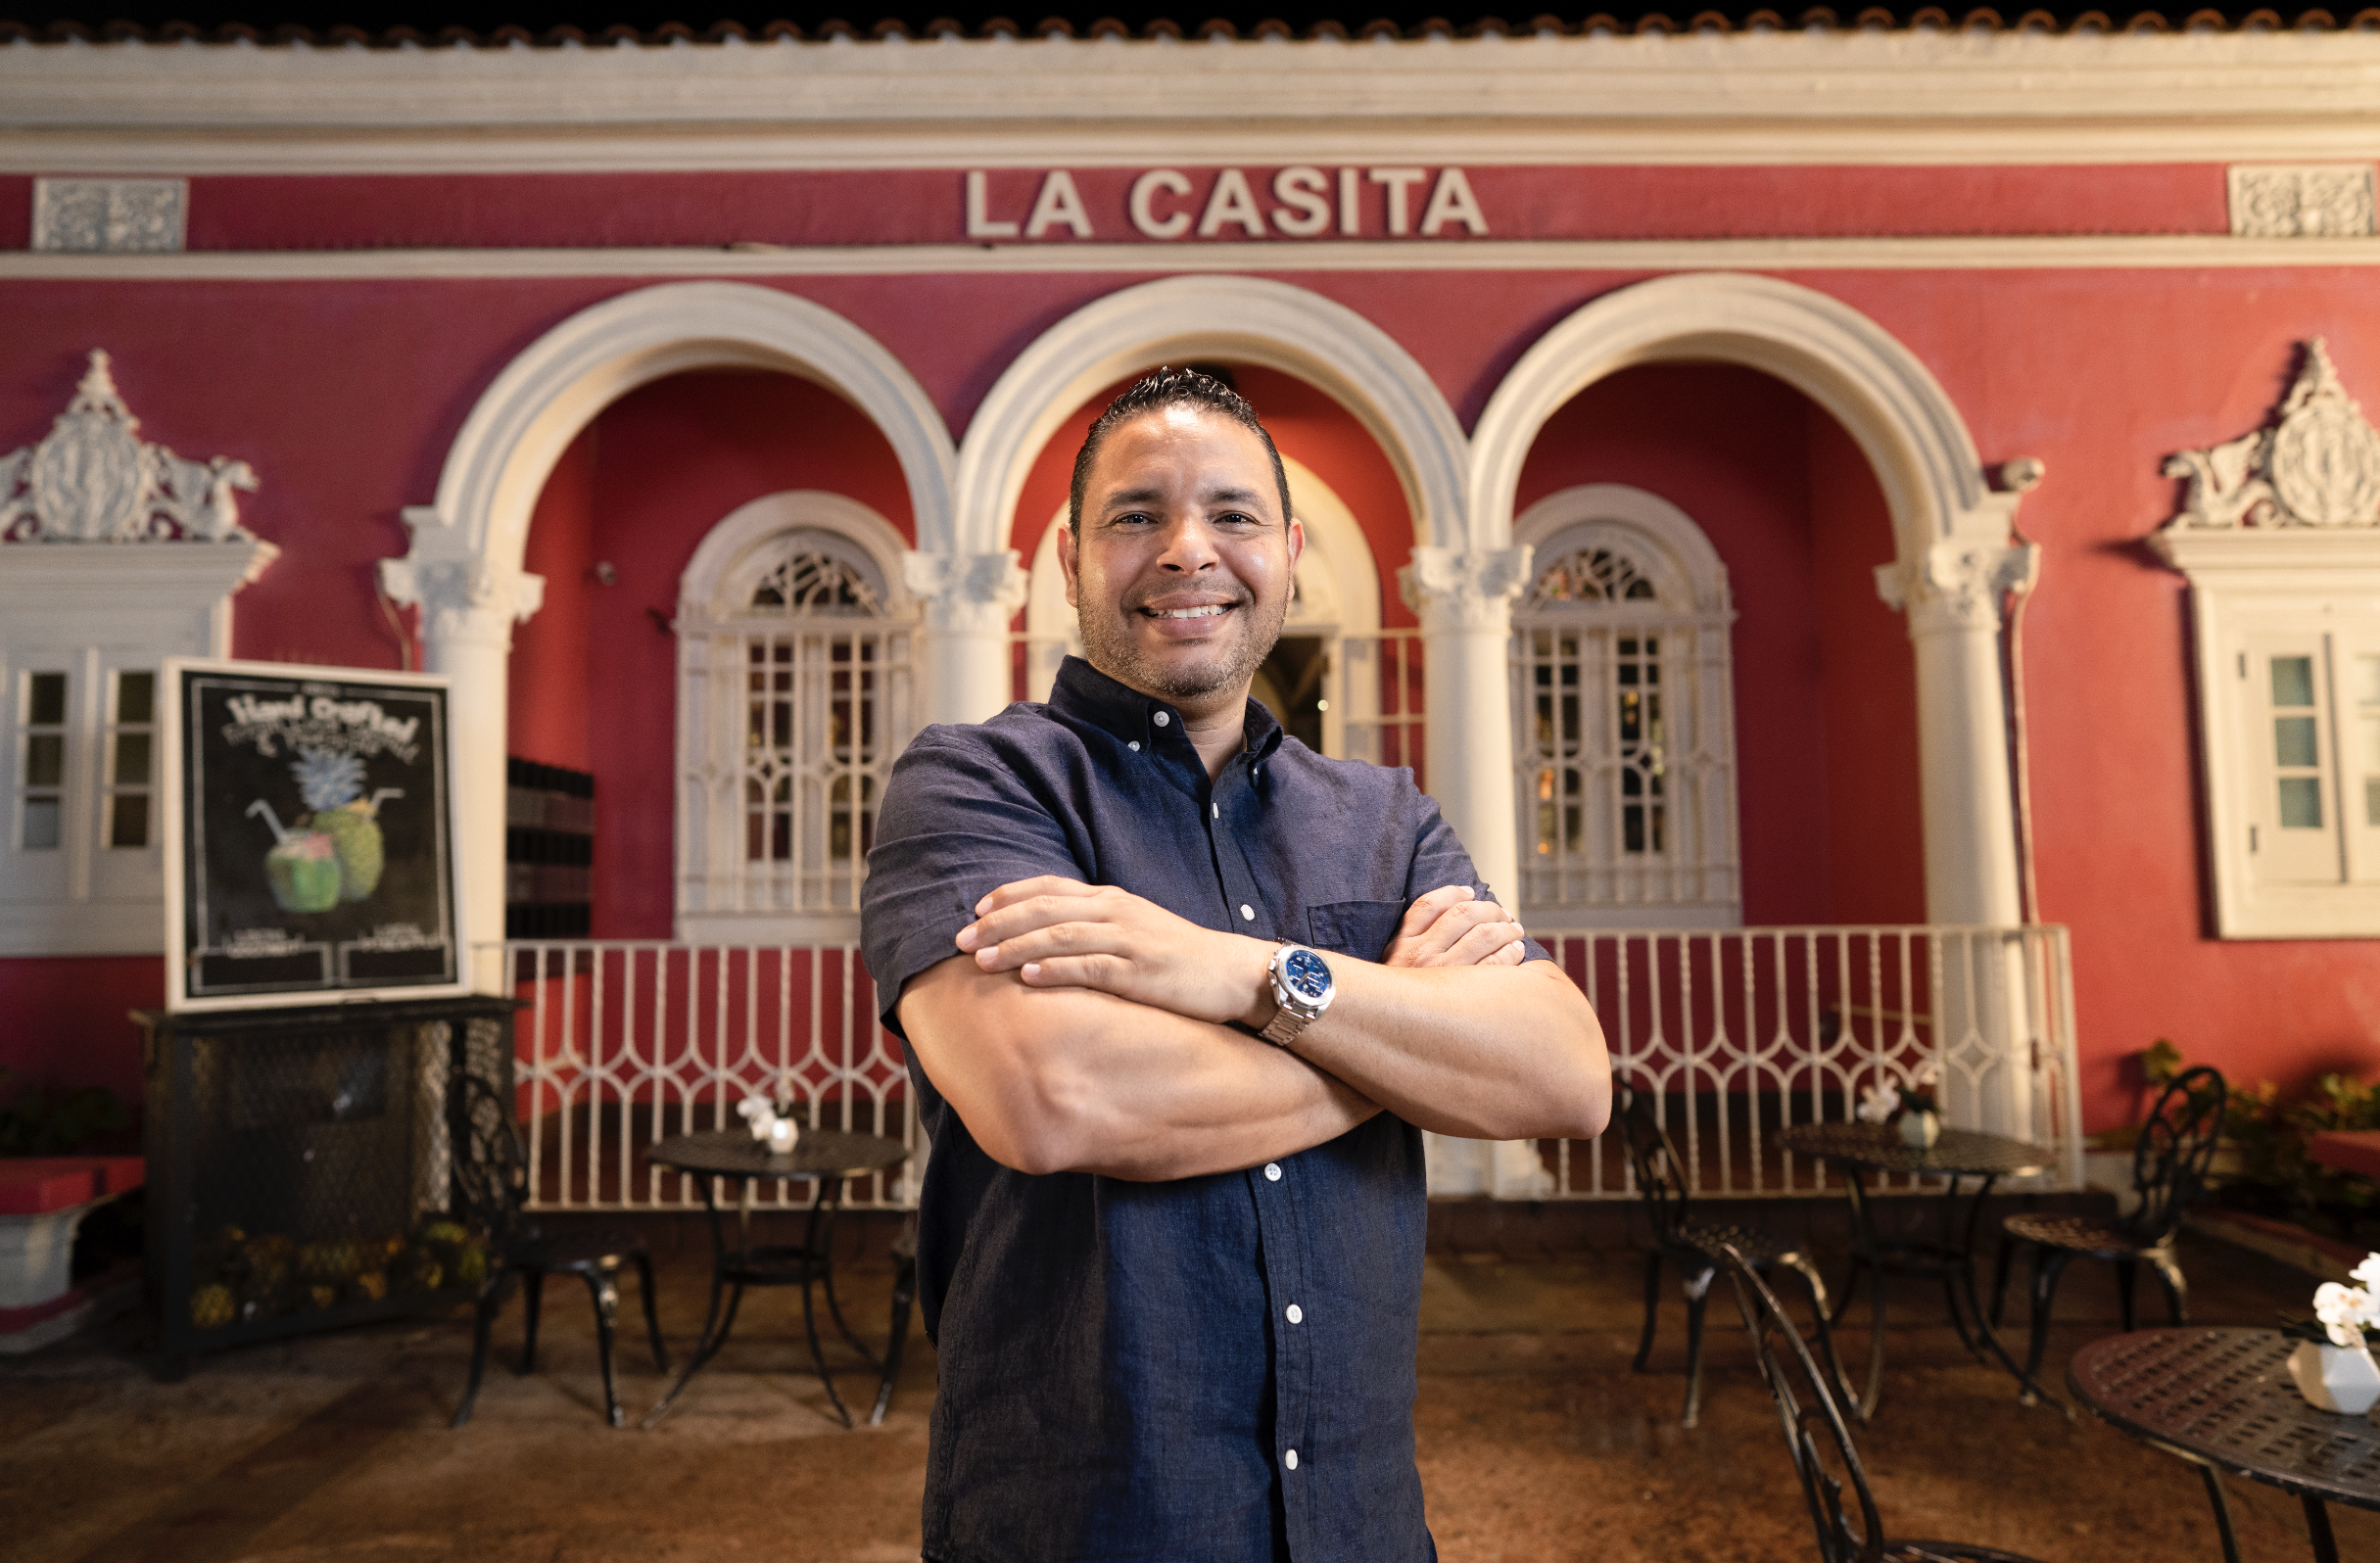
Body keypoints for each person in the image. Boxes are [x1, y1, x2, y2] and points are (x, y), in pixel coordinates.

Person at [860, 367, 1609, 1563]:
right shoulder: (976, 787)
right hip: (1085, 1526)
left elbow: (1567, 1079)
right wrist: (1404, 1033)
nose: (1187, 550)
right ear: (1069, 559)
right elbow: (1057, 1098)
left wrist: (1227, 974)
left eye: (1233, 513)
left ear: (1292, 552)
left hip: (1362, 1528)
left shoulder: (1384, 817)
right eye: (1137, 515)